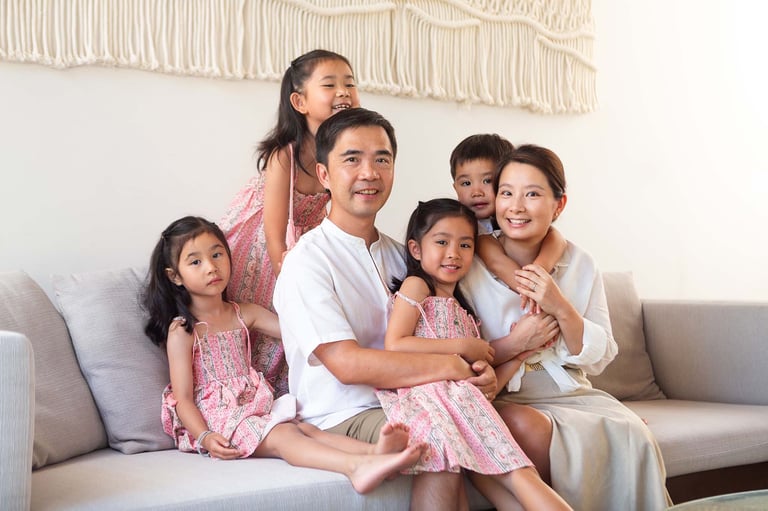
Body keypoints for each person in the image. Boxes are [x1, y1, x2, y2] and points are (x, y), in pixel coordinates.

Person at [273, 108, 498, 511]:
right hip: (343, 413)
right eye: (352, 159)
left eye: (382, 159)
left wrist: (479, 371)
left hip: (419, 397)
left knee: (506, 428)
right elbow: (348, 365)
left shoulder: (406, 256)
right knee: (435, 435)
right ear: (324, 174)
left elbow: (445, 331)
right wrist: (450, 366)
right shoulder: (307, 261)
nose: (370, 173)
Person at [142, 216, 424, 494]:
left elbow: (298, 329)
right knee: (284, 434)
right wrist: (204, 436)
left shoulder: (244, 313)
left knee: (307, 429)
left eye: (217, 255)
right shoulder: (183, 330)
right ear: (175, 276)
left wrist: (302, 280)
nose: (211, 267)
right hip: (216, 418)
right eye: (195, 262)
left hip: (252, 408)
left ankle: (375, 454)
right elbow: (182, 398)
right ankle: (355, 467)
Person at [461, 145, 671, 510]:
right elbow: (459, 354)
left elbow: (598, 357)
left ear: (559, 205)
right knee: (526, 427)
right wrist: (517, 344)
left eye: (532, 194)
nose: (516, 206)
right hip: (506, 392)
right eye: (507, 193)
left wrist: (559, 304)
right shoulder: (469, 262)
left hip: (571, 391)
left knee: (633, 432)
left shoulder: (580, 263)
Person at [379, 198, 572, 511]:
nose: (454, 253)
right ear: (416, 249)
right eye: (442, 242)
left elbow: (483, 385)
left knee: (515, 480)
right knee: (517, 476)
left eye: (465, 245)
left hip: (469, 406)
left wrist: (520, 355)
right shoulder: (417, 286)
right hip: (435, 402)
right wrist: (464, 346)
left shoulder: (465, 313)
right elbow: (396, 344)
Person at [218, 49, 360, 396]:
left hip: (300, 247)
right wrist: (291, 279)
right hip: (262, 247)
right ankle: (242, 389)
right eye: (330, 85)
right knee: (265, 319)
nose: (343, 92)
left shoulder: (340, 155)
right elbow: (273, 232)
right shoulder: (286, 155)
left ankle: (281, 392)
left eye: (350, 84)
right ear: (300, 102)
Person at [450, 133, 566, 312]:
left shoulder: (511, 222)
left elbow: (556, 238)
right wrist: (532, 291)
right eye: (466, 183)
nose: (476, 192)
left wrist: (540, 267)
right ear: (455, 188)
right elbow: (497, 262)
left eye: (487, 181)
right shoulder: (467, 230)